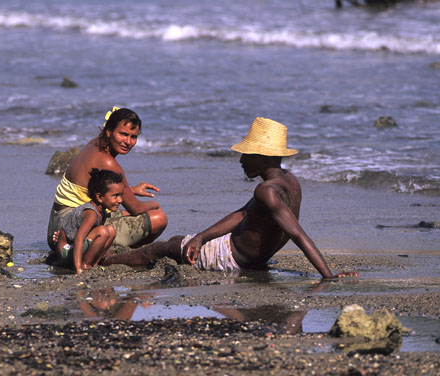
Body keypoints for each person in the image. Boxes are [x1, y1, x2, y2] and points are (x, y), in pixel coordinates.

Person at [102, 117, 359, 280]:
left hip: (230, 257)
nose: (241, 160)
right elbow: (242, 215)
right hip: (243, 254)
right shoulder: (289, 180)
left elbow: (298, 234)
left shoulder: (266, 191)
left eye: (246, 154)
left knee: (165, 248)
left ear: (262, 156)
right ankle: (118, 254)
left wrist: (328, 276)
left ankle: (105, 261)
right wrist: (202, 237)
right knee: (183, 241)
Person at [47, 107, 167, 251]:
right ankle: (104, 252)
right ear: (109, 132)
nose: (128, 142)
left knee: (126, 215)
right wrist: (155, 204)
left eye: (133, 136)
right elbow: (136, 208)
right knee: (158, 217)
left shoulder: (95, 143)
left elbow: (93, 189)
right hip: (67, 233)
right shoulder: (108, 162)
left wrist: (131, 190)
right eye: (123, 134)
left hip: (60, 221)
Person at [53, 168, 123, 274]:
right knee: (103, 231)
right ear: (99, 197)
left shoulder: (102, 212)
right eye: (115, 196)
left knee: (111, 230)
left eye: (121, 195)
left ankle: (94, 264)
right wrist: (78, 269)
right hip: (66, 251)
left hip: (74, 249)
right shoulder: (91, 213)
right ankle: (84, 265)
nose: (120, 200)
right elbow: (79, 239)